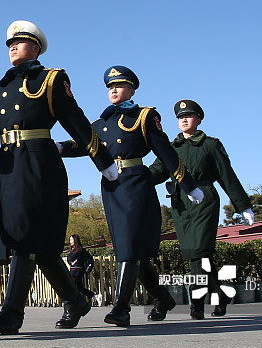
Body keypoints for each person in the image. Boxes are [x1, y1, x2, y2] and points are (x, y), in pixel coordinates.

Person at [0, 21, 119, 334]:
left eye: (19, 42)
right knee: (43, 249)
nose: (12, 46)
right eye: (9, 43)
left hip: (40, 165)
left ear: (36, 47)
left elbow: (76, 121)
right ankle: (75, 302)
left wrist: (102, 159)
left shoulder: (50, 80)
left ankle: (11, 313)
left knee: (25, 237)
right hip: (8, 166)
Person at [59, 66, 203, 327]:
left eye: (120, 85)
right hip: (111, 186)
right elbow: (83, 144)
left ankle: (121, 308)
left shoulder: (144, 116)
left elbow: (166, 153)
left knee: (129, 248)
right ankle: (163, 298)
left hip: (136, 183)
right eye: (110, 87)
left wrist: (188, 185)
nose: (113, 90)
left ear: (132, 89)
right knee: (130, 249)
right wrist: (58, 147)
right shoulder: (100, 124)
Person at [149, 100, 254, 319]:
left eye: (189, 116)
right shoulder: (171, 147)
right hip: (179, 203)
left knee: (199, 252)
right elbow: (157, 172)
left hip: (204, 199)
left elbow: (227, 175)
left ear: (199, 119)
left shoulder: (210, 145)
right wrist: (132, 177)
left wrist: (243, 205)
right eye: (180, 117)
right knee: (194, 256)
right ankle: (221, 295)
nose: (184, 120)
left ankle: (196, 304)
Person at [67, 235, 95, 302]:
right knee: (79, 287)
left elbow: (71, 257)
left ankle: (76, 301)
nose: (70, 242)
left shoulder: (79, 250)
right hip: (74, 270)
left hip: (77, 271)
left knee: (73, 287)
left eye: (71, 240)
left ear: (75, 240)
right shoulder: (74, 250)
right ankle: (93, 296)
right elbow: (69, 260)